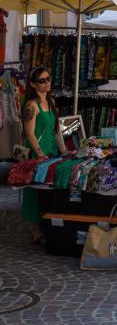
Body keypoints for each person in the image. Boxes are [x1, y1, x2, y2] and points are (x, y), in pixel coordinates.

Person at [21, 67, 60, 242]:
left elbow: (55, 129)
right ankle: (35, 228)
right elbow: (29, 133)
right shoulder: (31, 105)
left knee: (47, 189)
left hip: (51, 151)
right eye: (42, 80)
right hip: (38, 152)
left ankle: (46, 222)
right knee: (34, 190)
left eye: (48, 78)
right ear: (33, 84)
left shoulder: (50, 102)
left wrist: (62, 148)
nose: (47, 82)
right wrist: (39, 153)